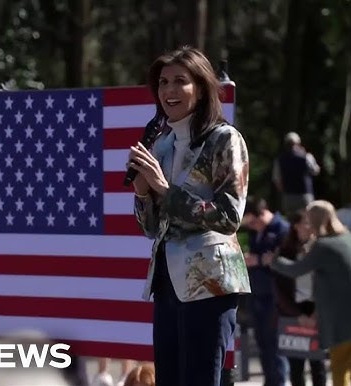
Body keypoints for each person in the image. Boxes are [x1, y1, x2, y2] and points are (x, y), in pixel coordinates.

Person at [129, 46, 251, 386]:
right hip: (167, 282)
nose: (168, 90)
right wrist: (143, 192)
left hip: (209, 283)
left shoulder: (224, 139)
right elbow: (152, 228)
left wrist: (165, 191)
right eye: (163, 82)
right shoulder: (162, 144)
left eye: (180, 81)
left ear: (201, 87)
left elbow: (229, 217)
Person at [266, 200, 351, 386]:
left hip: (346, 318)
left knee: (341, 371)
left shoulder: (324, 246)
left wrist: (274, 261)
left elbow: (297, 270)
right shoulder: (350, 238)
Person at [242, 196, 290, 386]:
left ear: (261, 215)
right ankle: (269, 381)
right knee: (262, 342)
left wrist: (260, 261)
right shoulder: (257, 232)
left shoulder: (282, 230)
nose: (252, 227)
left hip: (275, 296)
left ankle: (278, 381)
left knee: (275, 344)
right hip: (258, 293)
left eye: (253, 222)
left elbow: (283, 262)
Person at [276, 209, 327, 386]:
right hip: (293, 312)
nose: (311, 227)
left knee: (318, 365)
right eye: (307, 223)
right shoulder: (285, 252)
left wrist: (317, 314)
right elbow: (279, 290)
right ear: (296, 227)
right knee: (296, 368)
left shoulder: (322, 249)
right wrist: (297, 315)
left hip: (316, 310)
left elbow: (328, 285)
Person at [272, 132, 320, 216]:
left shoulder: (279, 160)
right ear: (298, 143)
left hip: (288, 196)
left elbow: (277, 180)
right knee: (307, 220)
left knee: (292, 222)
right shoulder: (306, 156)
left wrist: (285, 191)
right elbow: (315, 170)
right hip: (305, 195)